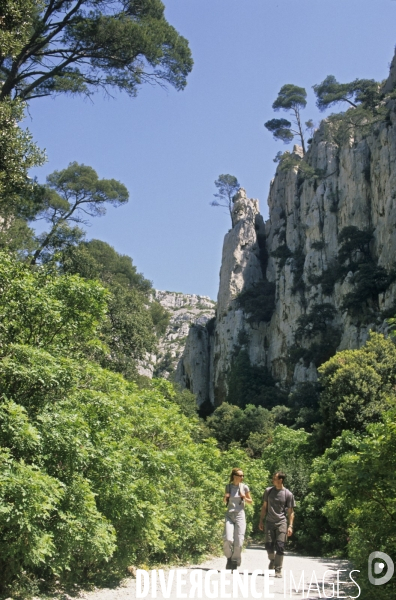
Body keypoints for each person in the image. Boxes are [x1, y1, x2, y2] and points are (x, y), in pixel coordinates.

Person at [258, 471, 295, 578]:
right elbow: (264, 507)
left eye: (274, 478)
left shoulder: (288, 494)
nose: (272, 479)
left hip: (281, 522)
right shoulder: (268, 491)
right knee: (269, 546)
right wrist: (261, 520)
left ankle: (278, 569)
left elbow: (291, 512)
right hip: (269, 522)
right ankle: (273, 560)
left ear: (280, 480)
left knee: (280, 546)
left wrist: (290, 526)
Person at [223, 467, 252, 571]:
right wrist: (225, 497)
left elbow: (250, 501)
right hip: (229, 515)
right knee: (228, 539)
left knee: (239, 540)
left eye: (243, 475)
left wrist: (244, 497)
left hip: (240, 514)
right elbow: (224, 501)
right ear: (234, 476)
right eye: (240, 475)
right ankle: (229, 558)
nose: (242, 477)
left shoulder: (244, 487)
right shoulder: (228, 487)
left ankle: (235, 561)